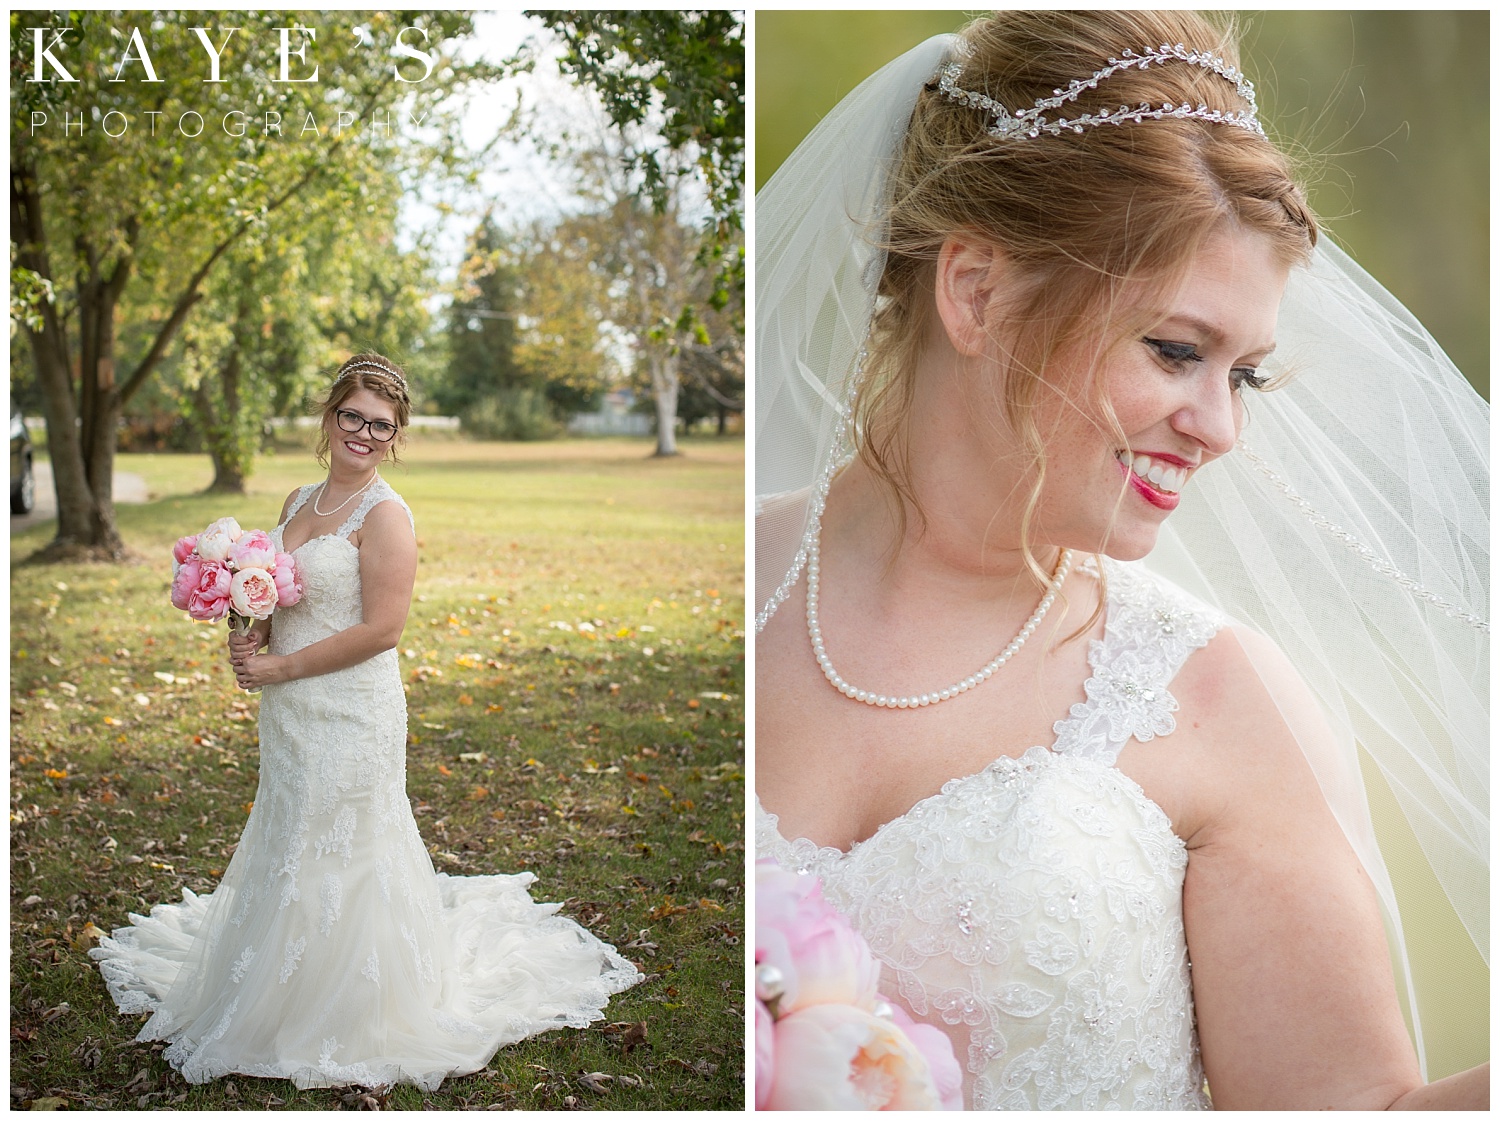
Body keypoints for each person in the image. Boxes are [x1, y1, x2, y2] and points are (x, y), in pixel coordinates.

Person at [753, 11, 1487, 1110]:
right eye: (1177, 350)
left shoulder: (1219, 700)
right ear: (976, 290)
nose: (1217, 427)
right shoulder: (734, 579)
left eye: (1241, 374)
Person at [91, 353, 641, 1088]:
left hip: (351, 709)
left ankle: (351, 1001)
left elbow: (384, 628)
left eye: (381, 425)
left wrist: (281, 667)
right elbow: (278, 592)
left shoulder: (386, 515)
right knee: (291, 829)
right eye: (353, 416)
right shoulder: (295, 499)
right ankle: (275, 982)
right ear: (330, 416)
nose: (364, 433)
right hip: (289, 712)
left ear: (396, 434)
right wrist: (246, 632)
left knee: (346, 841)